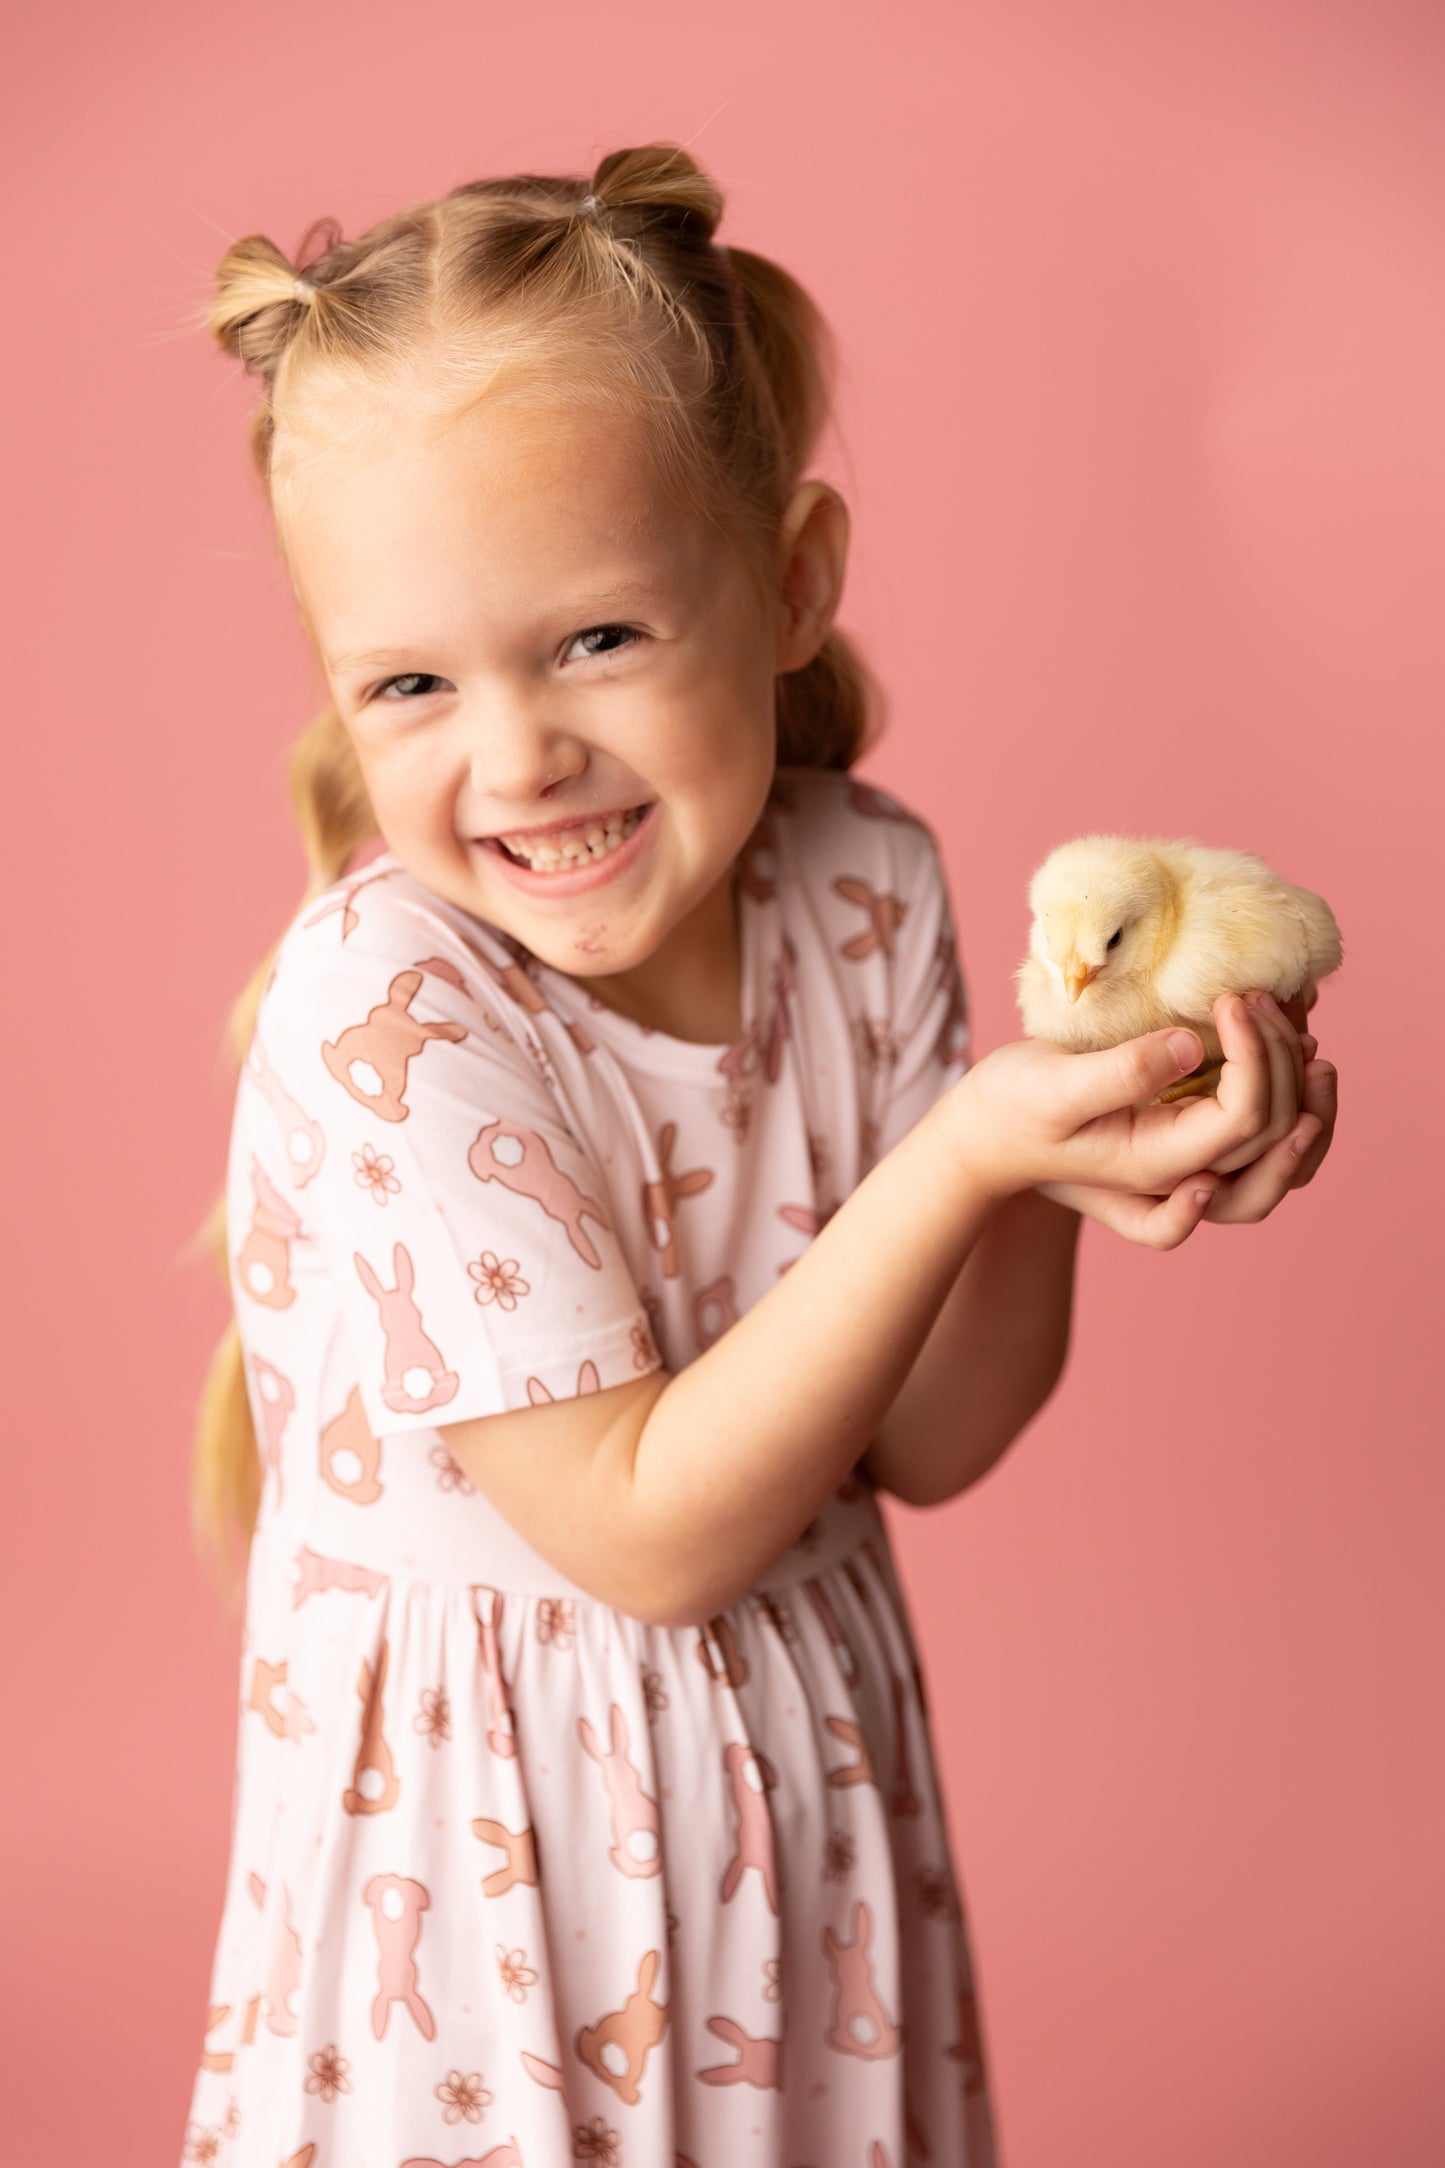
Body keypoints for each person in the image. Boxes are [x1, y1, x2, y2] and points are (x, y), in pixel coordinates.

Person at [180, 142, 1337, 2168]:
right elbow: (647, 1525)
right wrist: (971, 1150)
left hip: (794, 1845)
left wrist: (1064, 1134)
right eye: (414, 685)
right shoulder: (387, 1006)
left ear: (790, 579)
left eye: (598, 639)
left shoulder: (864, 894)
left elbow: (941, 1432)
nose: (518, 752)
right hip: (483, 1923)